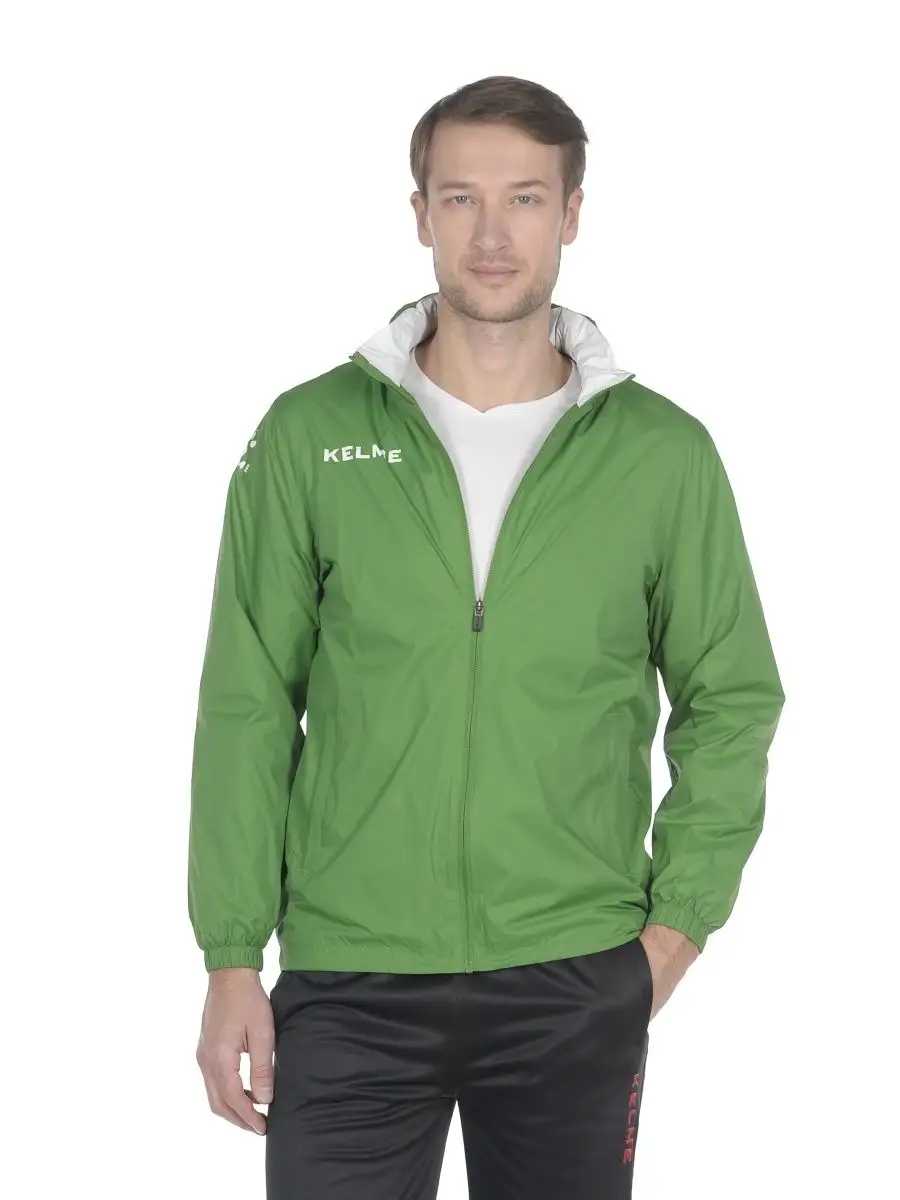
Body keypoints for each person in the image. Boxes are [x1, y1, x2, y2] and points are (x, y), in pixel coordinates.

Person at [188, 74, 785, 1199]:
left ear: (572, 213)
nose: (493, 234)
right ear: (420, 213)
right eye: (461, 198)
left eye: (525, 198)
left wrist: (672, 935)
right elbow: (249, 701)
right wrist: (230, 956)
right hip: (351, 977)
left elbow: (731, 697)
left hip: (573, 972)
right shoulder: (312, 434)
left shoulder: (661, 454)